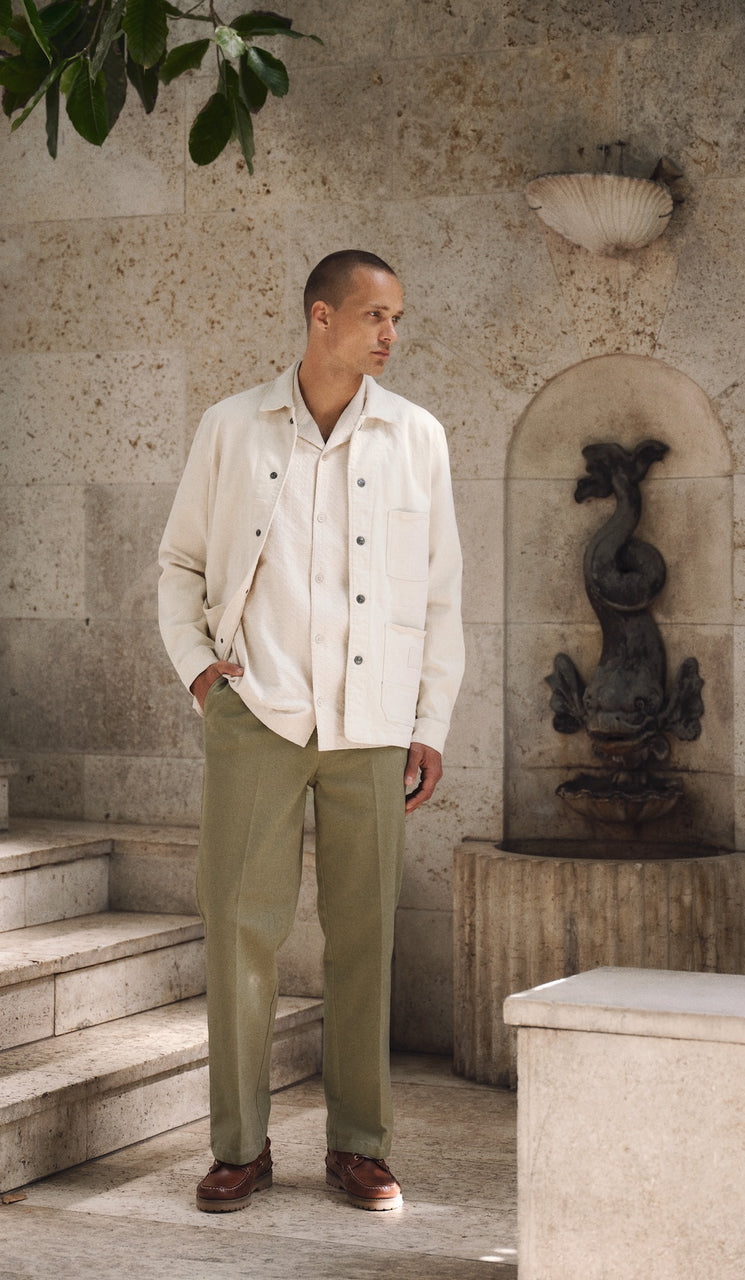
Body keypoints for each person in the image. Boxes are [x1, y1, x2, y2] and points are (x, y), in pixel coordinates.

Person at [158, 249, 465, 1213]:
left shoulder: (418, 437)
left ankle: (359, 1147)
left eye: (399, 319)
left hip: (373, 724)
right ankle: (239, 1148)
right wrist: (203, 673)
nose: (392, 336)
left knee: (364, 935)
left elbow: (443, 594)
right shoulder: (232, 428)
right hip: (258, 713)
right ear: (321, 318)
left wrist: (430, 720)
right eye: (377, 316)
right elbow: (179, 564)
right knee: (241, 934)